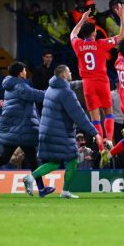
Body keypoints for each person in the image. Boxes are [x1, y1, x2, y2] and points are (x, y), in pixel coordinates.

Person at [0, 62, 55, 198]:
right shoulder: (20, 86)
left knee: (8, 158)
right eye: (24, 70)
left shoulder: (11, 85)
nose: (26, 72)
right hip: (21, 129)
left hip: (16, 127)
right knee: (31, 160)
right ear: (20, 73)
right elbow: (37, 95)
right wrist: (53, 92)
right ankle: (41, 189)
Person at [24, 65, 101, 199]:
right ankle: (63, 191)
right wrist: (95, 133)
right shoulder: (66, 93)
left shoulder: (52, 87)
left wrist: (86, 82)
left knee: (54, 161)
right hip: (59, 132)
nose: (71, 73)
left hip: (47, 129)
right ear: (64, 75)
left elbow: (72, 86)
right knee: (72, 159)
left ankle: (31, 178)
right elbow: (79, 115)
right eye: (69, 71)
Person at [69, 5, 124, 148]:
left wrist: (82, 20)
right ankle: (109, 139)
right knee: (108, 113)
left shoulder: (78, 44)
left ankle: (101, 148)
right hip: (102, 82)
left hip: (88, 84)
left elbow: (72, 35)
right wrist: (122, 18)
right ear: (94, 33)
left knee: (95, 118)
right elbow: (122, 36)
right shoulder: (101, 44)